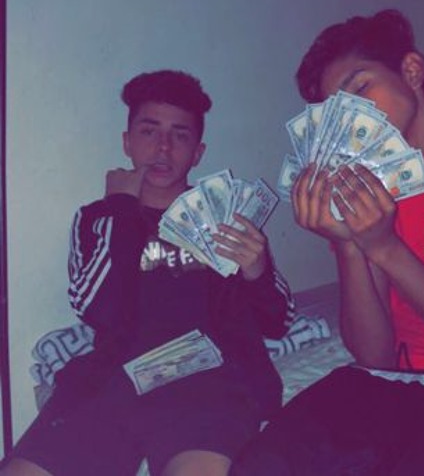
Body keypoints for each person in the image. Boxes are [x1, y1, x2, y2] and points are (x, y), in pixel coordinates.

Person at [229, 9, 424, 475]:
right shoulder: (364, 189)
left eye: (360, 89)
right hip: (390, 382)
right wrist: (351, 244)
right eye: (335, 111)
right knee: (264, 462)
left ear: (411, 72)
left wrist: (385, 248)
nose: (352, 120)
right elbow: (373, 356)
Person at [1, 70, 294, 476]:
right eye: (149, 131)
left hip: (206, 382)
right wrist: (121, 209)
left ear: (198, 152)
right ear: (127, 141)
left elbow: (278, 323)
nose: (162, 147)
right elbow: (97, 310)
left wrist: (256, 271)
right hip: (113, 380)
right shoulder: (100, 217)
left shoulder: (226, 218)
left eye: (180, 135)